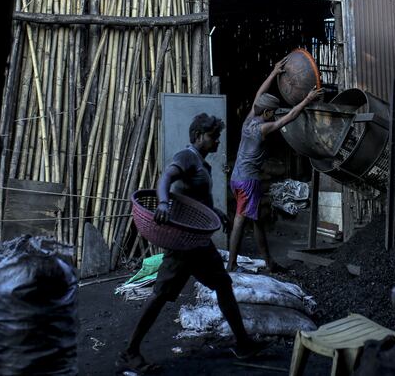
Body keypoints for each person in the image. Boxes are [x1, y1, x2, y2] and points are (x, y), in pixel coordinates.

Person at [117, 113, 269, 374]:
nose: (217, 141)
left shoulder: (202, 164)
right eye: (213, 136)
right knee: (160, 295)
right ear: (198, 136)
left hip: (198, 243)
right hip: (182, 244)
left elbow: (195, 200)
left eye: (218, 136)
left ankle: (243, 344)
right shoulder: (187, 157)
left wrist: (216, 212)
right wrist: (163, 203)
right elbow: (166, 178)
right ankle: (129, 352)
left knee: (223, 284)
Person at [227, 57, 323, 273]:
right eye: (272, 113)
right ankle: (231, 264)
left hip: (236, 178)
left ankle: (269, 262)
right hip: (248, 182)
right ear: (267, 113)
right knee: (241, 220)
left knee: (256, 219)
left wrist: (273, 73)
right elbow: (288, 117)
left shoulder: (249, 121)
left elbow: (258, 96)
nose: (273, 116)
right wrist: (307, 100)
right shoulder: (263, 129)